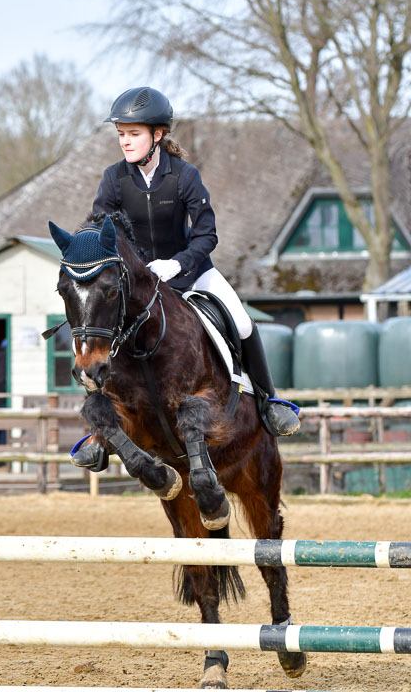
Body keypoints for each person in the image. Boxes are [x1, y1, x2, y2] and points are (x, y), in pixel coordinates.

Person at [90, 86, 300, 438]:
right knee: (97, 326)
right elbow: (101, 230)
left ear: (158, 135)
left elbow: (207, 235)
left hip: (191, 273)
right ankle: (100, 432)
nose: (125, 142)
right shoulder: (114, 178)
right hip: (140, 282)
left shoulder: (184, 176)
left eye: (133, 134)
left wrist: (177, 264)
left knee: (244, 322)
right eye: (121, 134)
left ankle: (269, 402)